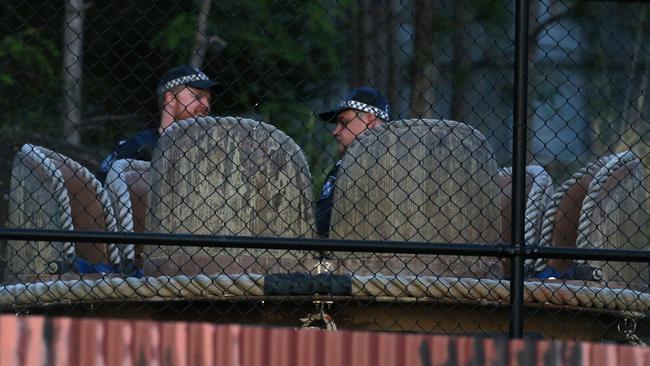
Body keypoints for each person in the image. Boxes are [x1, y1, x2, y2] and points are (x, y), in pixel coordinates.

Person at [96, 65, 219, 182]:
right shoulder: (137, 147)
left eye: (209, 100)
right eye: (198, 97)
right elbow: (101, 191)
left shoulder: (214, 149)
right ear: (170, 98)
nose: (207, 106)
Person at [315, 87, 391, 237]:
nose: (335, 131)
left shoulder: (392, 163)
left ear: (369, 120)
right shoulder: (346, 163)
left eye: (344, 123)